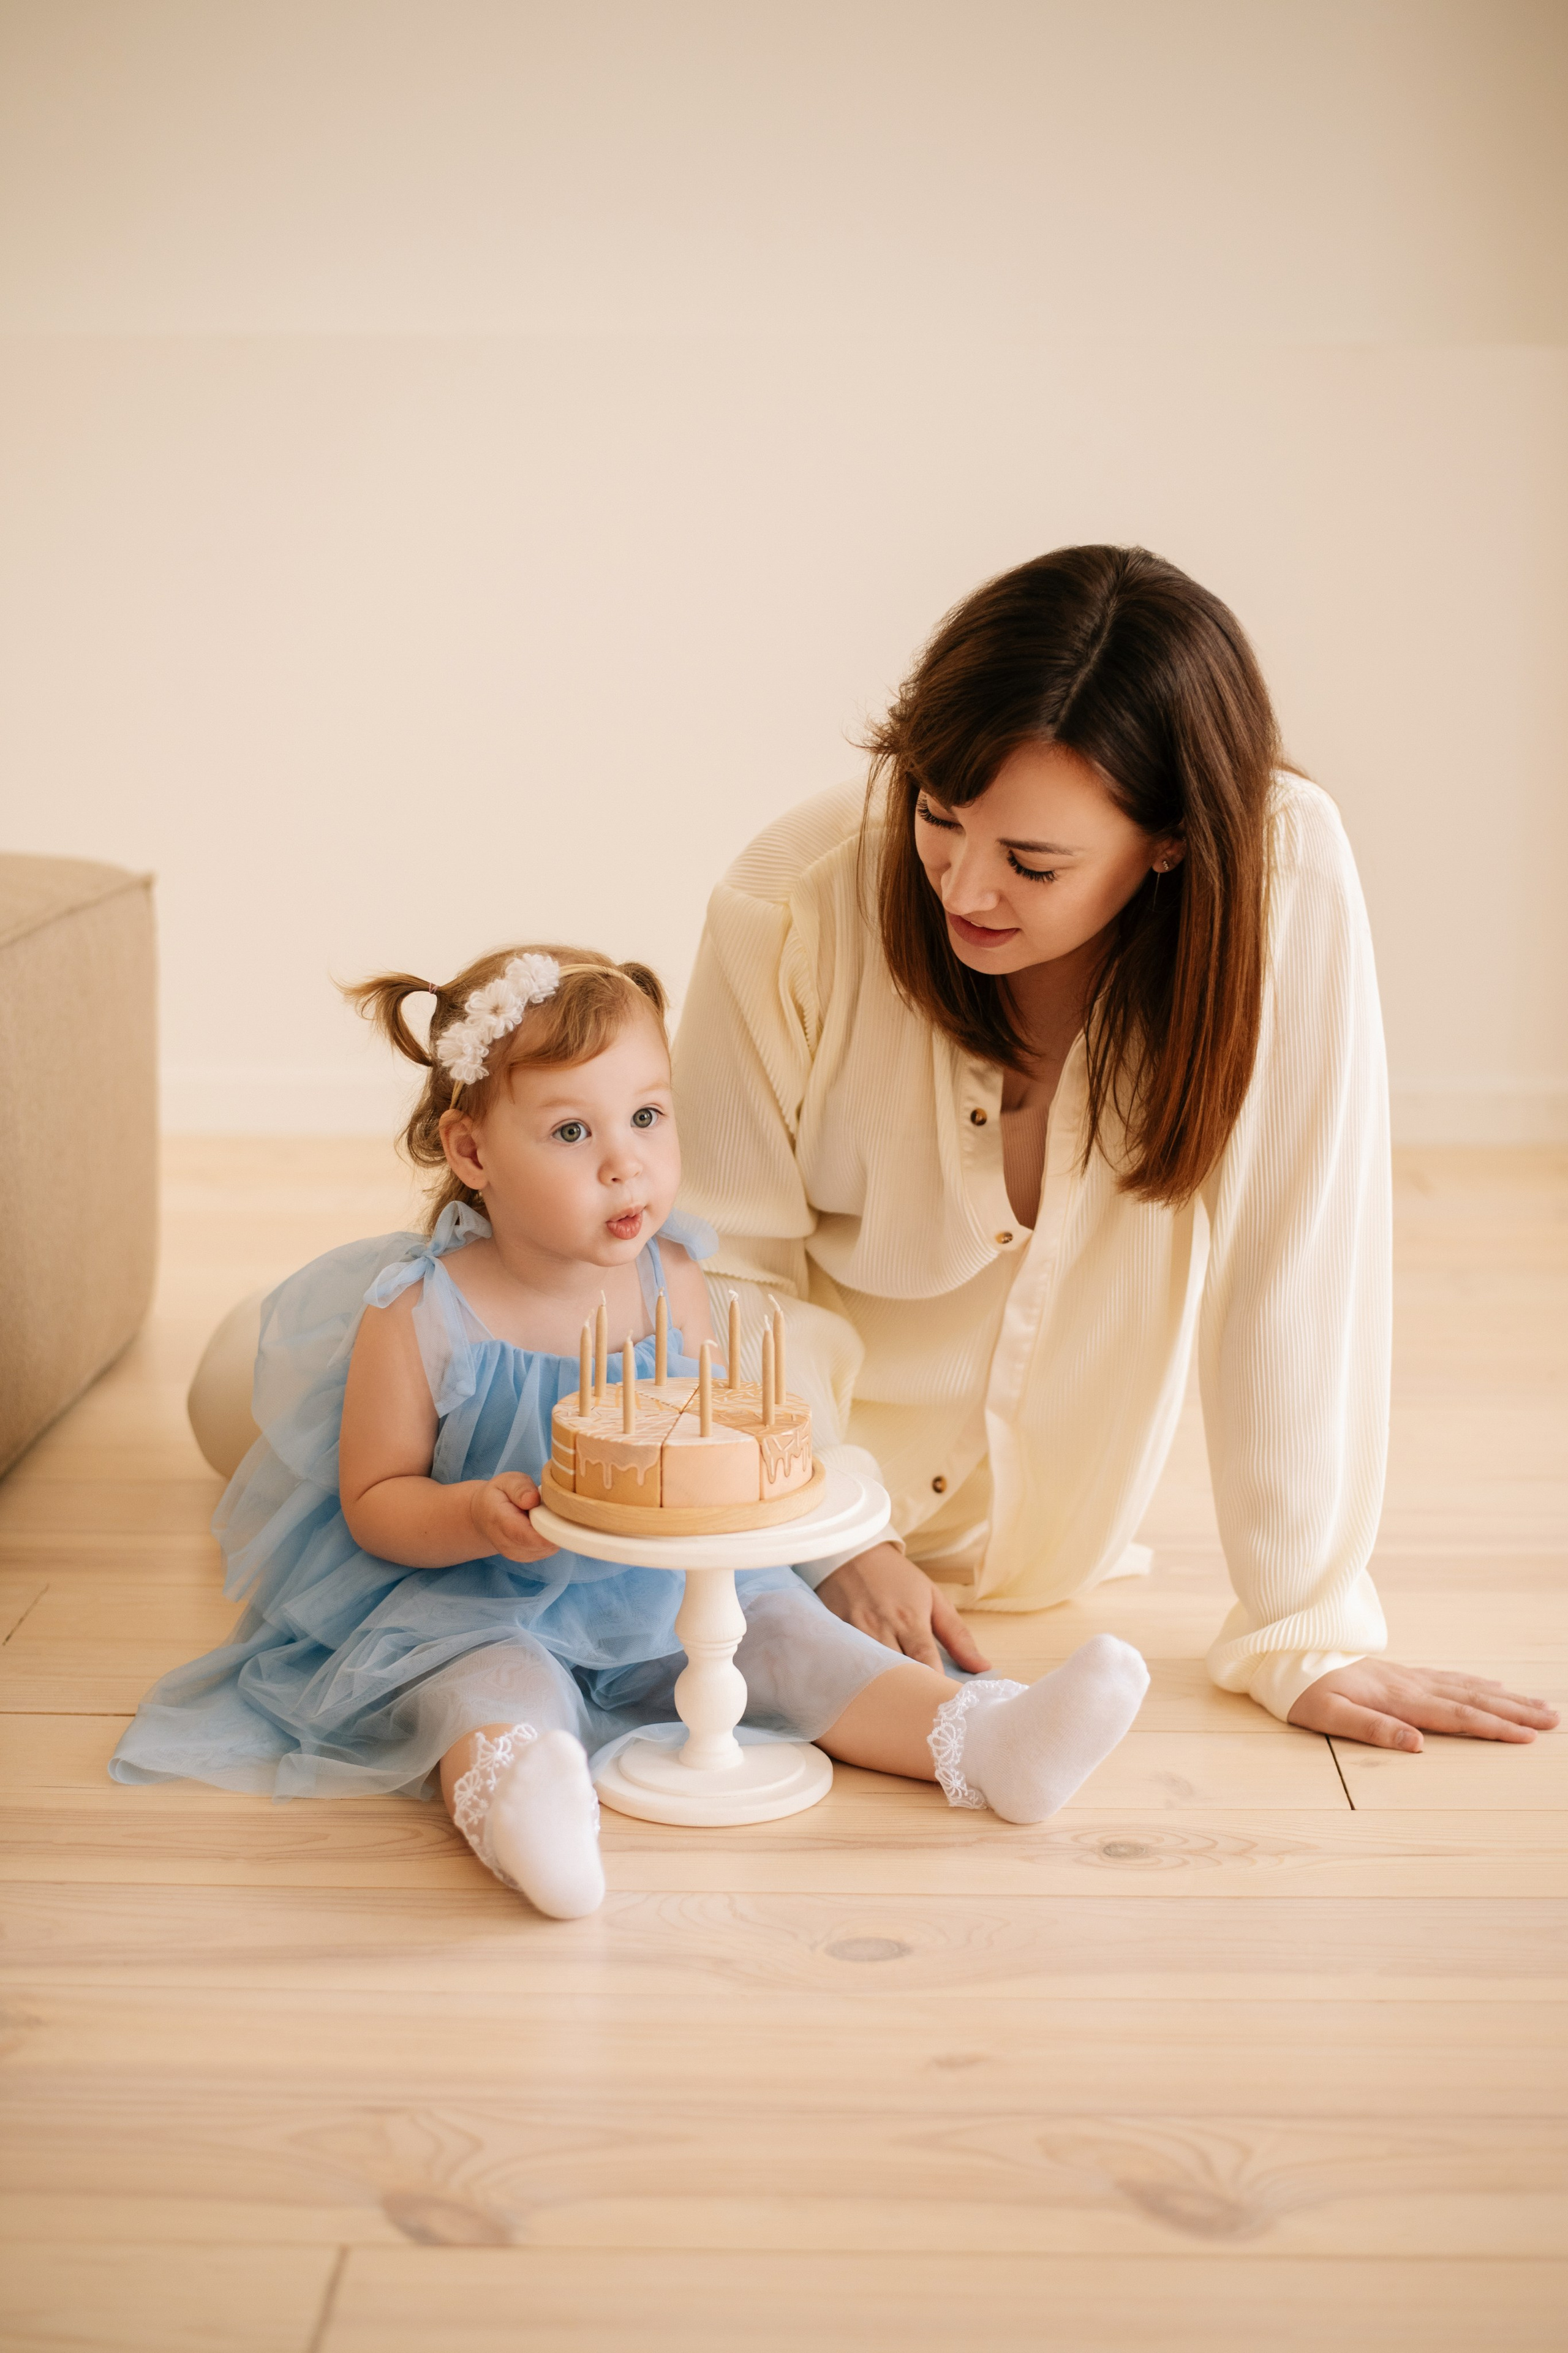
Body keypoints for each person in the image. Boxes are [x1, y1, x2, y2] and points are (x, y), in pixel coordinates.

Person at [671, 545, 1559, 1755]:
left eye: (1032, 863)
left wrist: (1302, 1629)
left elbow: (1296, 1257)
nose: (964, 886)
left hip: (1056, 1549)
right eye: (938, 815)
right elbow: (725, 1263)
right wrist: (838, 1533)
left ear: (1171, 842)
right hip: (787, 1501)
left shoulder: (1282, 878)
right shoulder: (790, 900)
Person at [111, 943, 1150, 1916]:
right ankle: (529, 1809)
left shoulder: (677, 1284)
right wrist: (474, 1512)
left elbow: (701, 1439)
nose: (627, 1163)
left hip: (660, 1577)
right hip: (470, 1590)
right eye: (573, 1132)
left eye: (648, 1116)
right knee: (492, 1684)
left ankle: (985, 1741)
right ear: (470, 1149)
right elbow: (377, 1503)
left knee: (788, 1636)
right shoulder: (421, 1313)